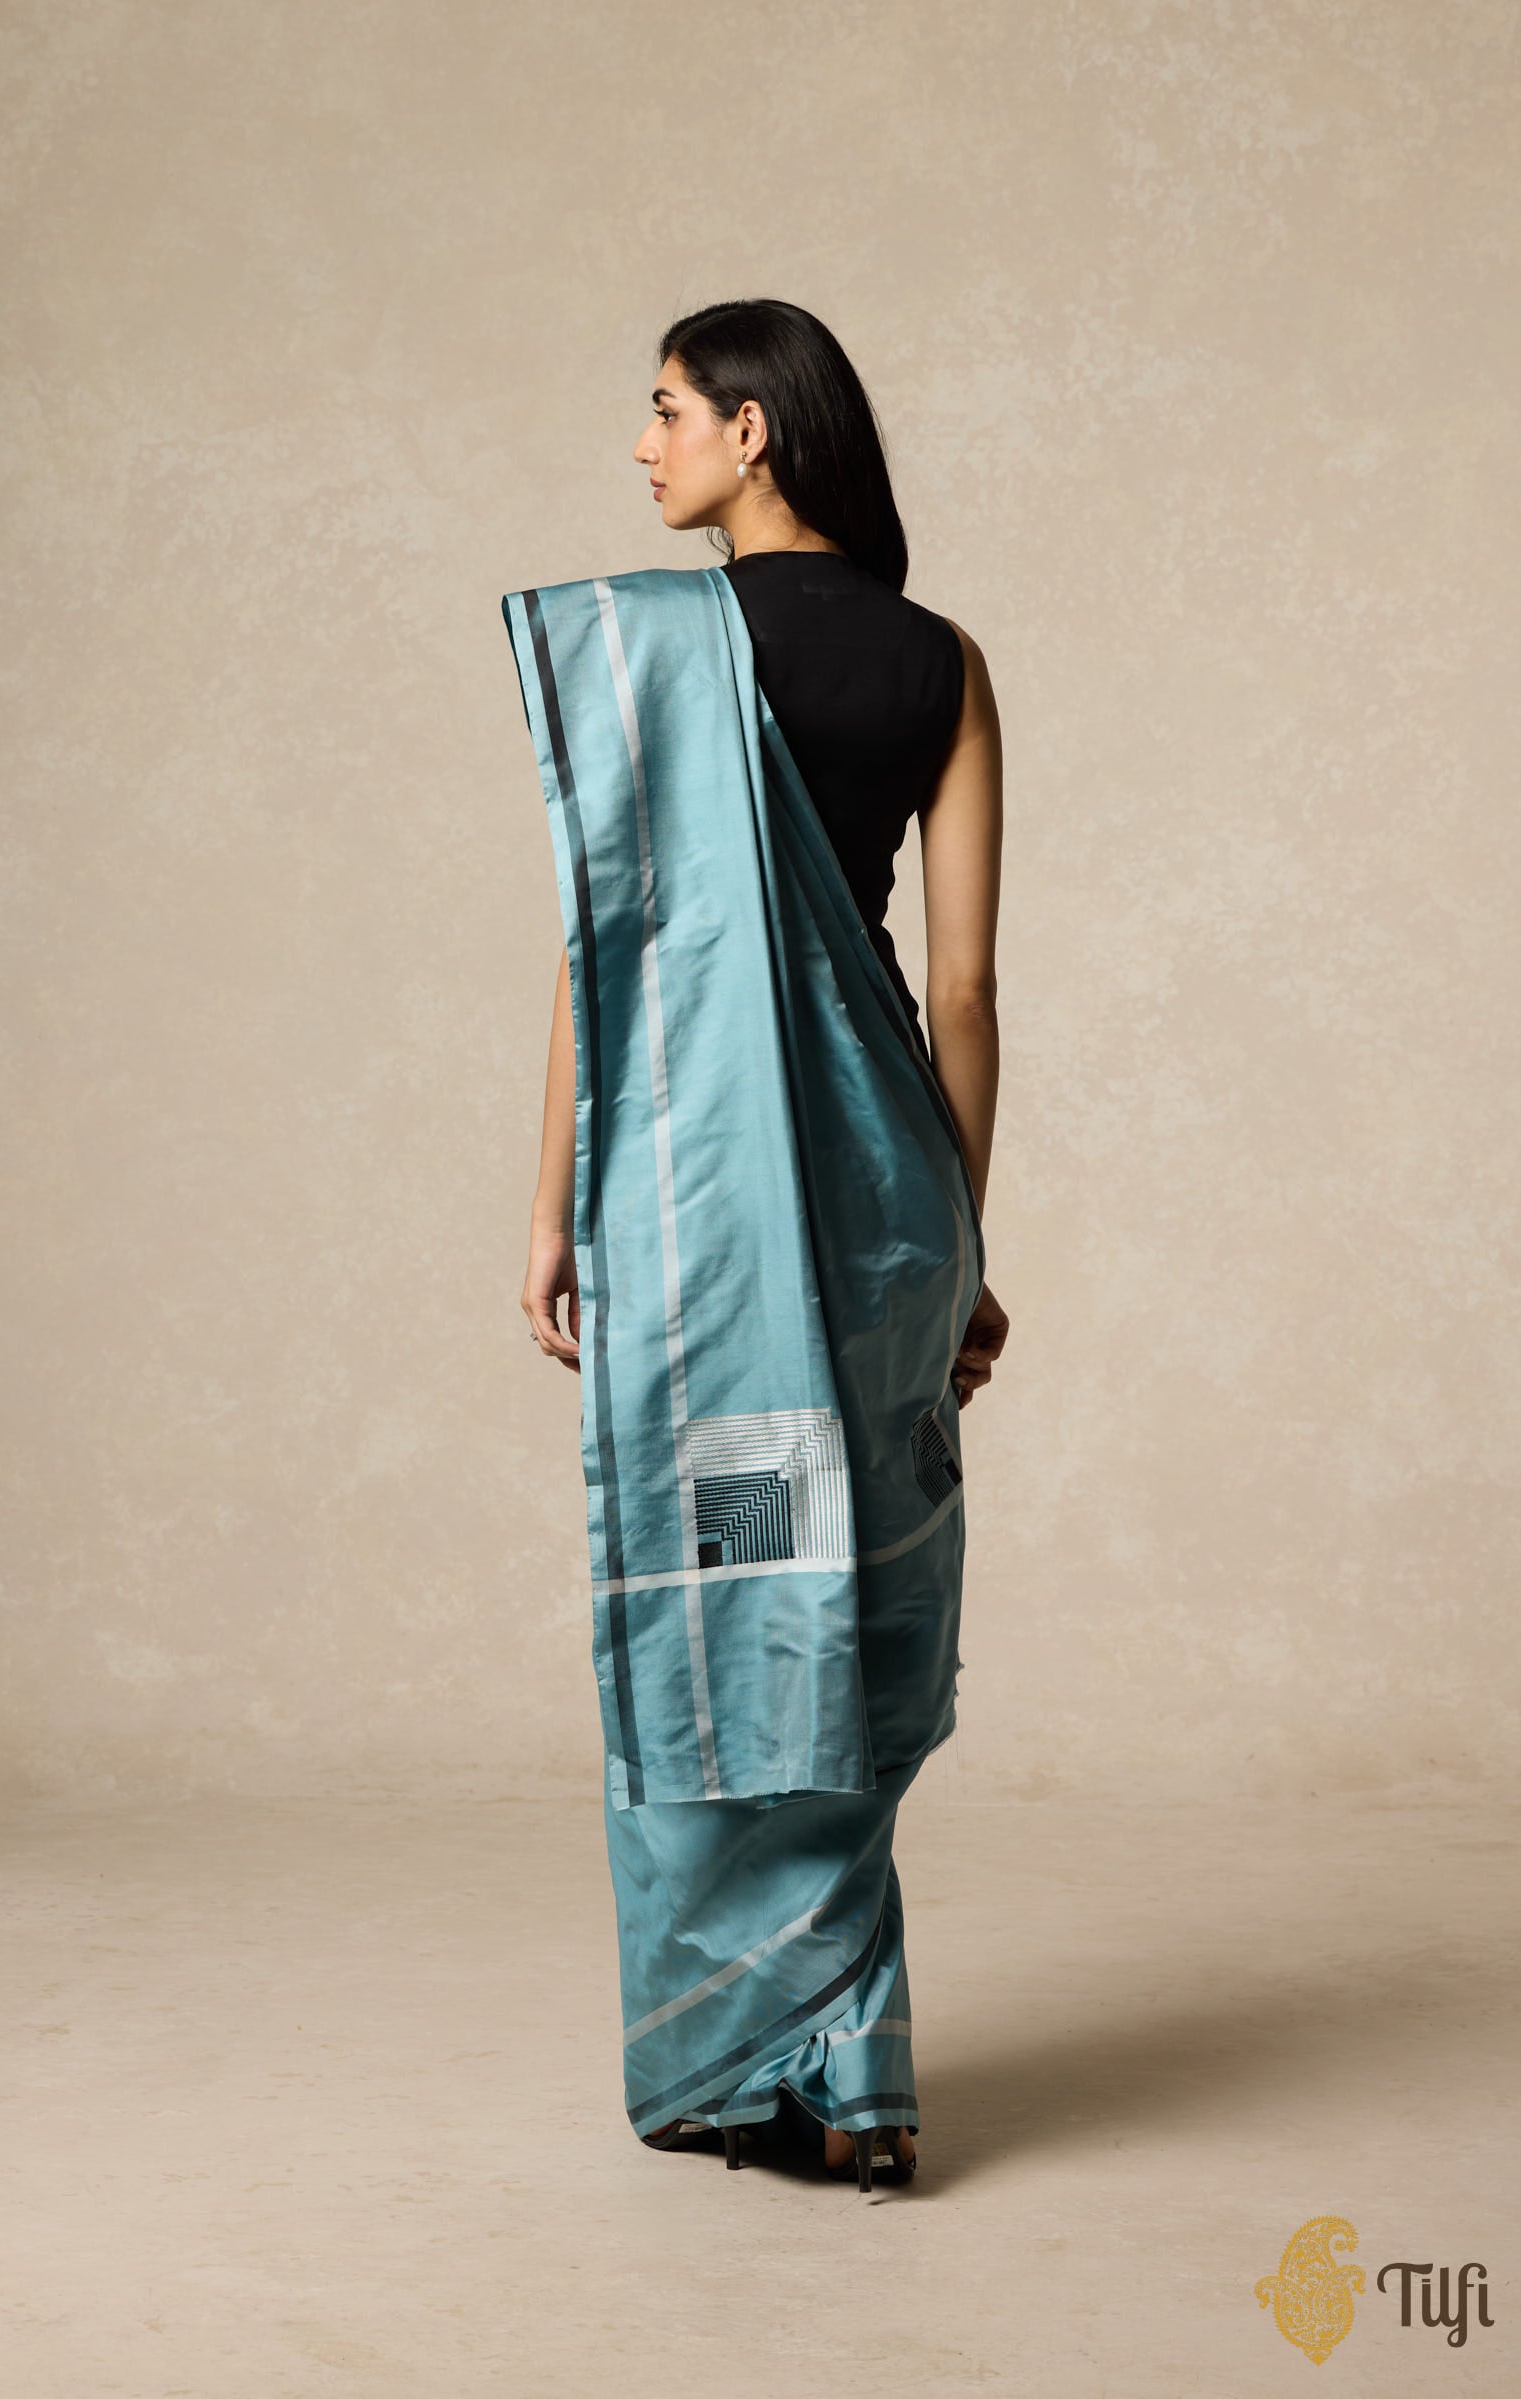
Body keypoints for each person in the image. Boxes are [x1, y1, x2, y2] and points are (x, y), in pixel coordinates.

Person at [508, 298, 1007, 2192]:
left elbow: (609, 965)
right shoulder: (943, 662)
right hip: (883, 1208)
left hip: (711, 1209)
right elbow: (963, 992)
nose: (644, 448)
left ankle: (764, 2061)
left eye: (665, 411)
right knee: (853, 1593)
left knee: (748, 1589)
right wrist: (962, 1242)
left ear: (753, 431)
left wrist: (553, 1204)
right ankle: (841, 2069)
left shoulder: (657, 652)